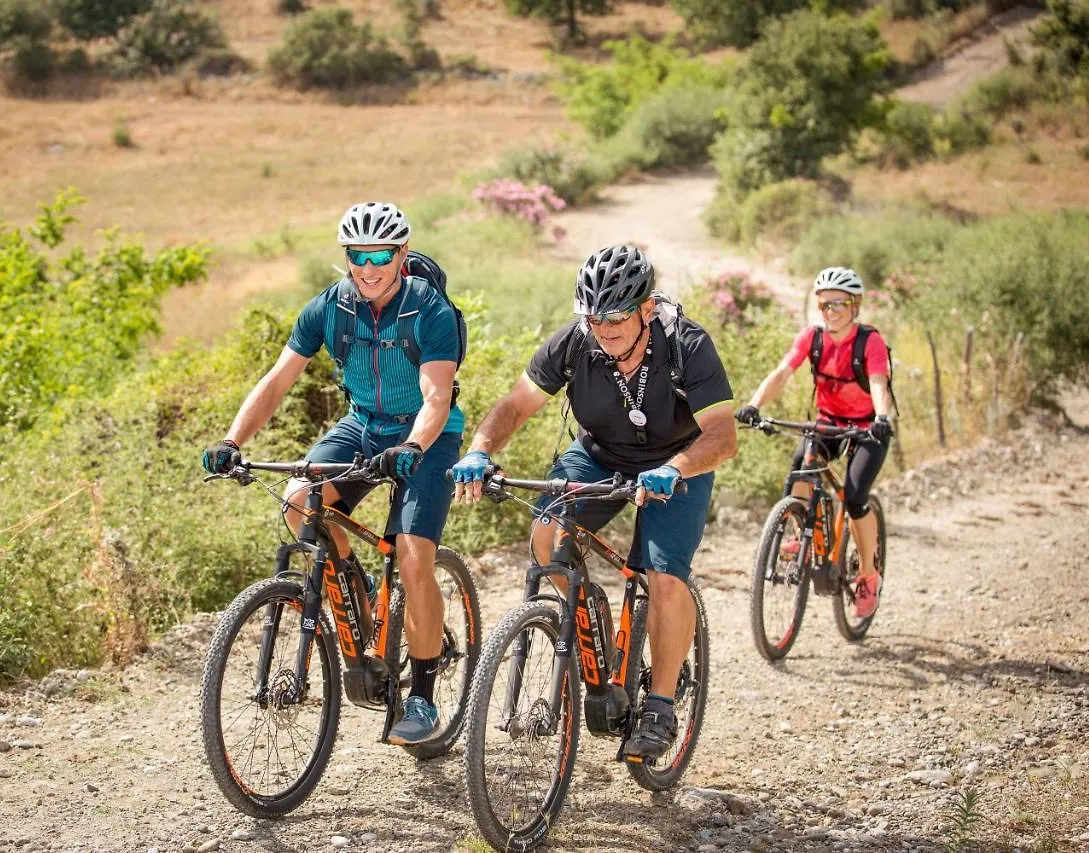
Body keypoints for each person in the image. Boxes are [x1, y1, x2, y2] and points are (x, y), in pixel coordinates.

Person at [450, 245, 737, 763]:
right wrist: (478, 450)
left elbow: (722, 435)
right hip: (599, 456)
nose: (604, 330)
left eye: (616, 317)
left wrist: (675, 468)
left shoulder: (687, 344)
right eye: (594, 317)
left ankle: (661, 705)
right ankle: (593, 618)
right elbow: (516, 405)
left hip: (676, 465)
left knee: (664, 576)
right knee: (544, 537)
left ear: (646, 309)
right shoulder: (577, 341)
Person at [202, 201, 464, 745]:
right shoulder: (330, 307)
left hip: (425, 435)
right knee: (301, 498)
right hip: (362, 426)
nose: (368, 268)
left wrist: (413, 444)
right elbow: (276, 381)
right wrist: (232, 440)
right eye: (357, 255)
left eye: (380, 255)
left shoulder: (431, 313)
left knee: (414, 556)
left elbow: (437, 396)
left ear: (402, 255)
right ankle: (357, 585)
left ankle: (422, 695)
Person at [735, 266, 893, 618]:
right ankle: (798, 531)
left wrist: (882, 418)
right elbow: (782, 373)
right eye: (824, 305)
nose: (831, 312)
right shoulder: (812, 338)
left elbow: (879, 382)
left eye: (838, 304)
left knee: (854, 497)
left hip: (869, 427)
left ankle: (868, 573)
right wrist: (754, 405)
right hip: (829, 422)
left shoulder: (870, 342)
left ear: (855, 306)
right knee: (800, 470)